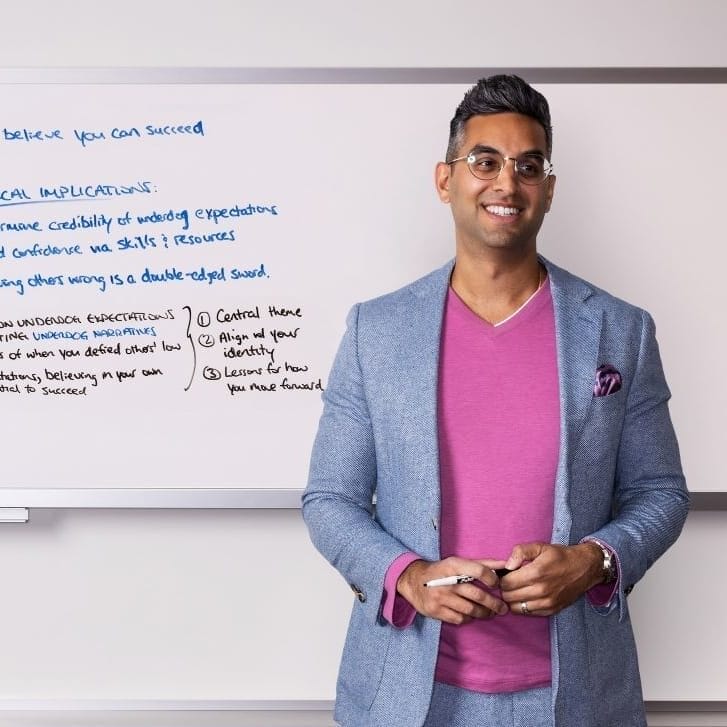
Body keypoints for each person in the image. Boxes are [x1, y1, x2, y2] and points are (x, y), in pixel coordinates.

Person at [302, 75, 688, 727]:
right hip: (410, 693)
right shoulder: (376, 330)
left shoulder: (621, 329)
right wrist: (409, 577)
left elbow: (660, 490)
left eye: (527, 166)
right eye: (484, 161)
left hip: (577, 693)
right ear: (444, 180)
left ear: (548, 189)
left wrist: (591, 560)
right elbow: (329, 499)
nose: (506, 183)